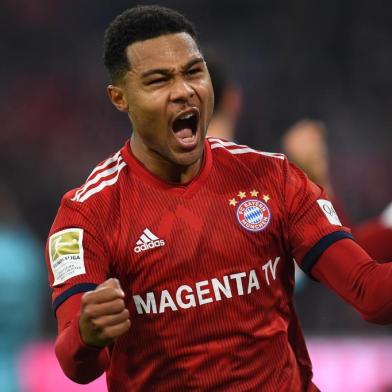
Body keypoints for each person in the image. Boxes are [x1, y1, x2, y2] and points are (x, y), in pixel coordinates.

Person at [45, 5, 392, 391]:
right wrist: (88, 335)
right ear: (119, 98)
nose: (183, 91)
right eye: (159, 81)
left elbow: (371, 293)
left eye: (194, 72)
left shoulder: (273, 177)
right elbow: (76, 364)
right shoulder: (87, 213)